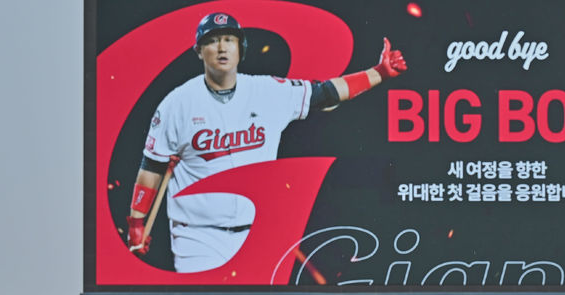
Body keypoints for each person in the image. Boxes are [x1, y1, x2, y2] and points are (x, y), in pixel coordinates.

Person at [128, 12, 407, 272]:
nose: (222, 48)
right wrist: (136, 222)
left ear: (241, 48)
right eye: (212, 41)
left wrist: (379, 72)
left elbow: (325, 94)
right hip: (197, 236)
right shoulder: (177, 103)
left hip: (259, 235)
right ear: (199, 51)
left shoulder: (267, 91)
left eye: (228, 40)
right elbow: (151, 166)